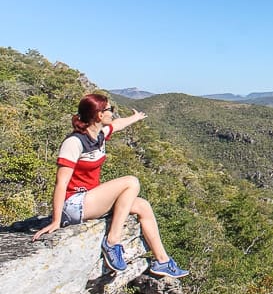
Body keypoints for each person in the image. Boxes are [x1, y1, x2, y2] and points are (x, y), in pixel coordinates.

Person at [32, 93, 188, 278]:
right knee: (131, 182)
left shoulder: (98, 135)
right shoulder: (74, 142)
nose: (112, 113)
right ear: (99, 115)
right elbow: (61, 183)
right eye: (109, 110)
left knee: (142, 206)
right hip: (74, 205)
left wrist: (136, 117)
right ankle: (112, 242)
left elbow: (118, 125)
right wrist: (56, 220)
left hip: (91, 199)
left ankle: (162, 261)